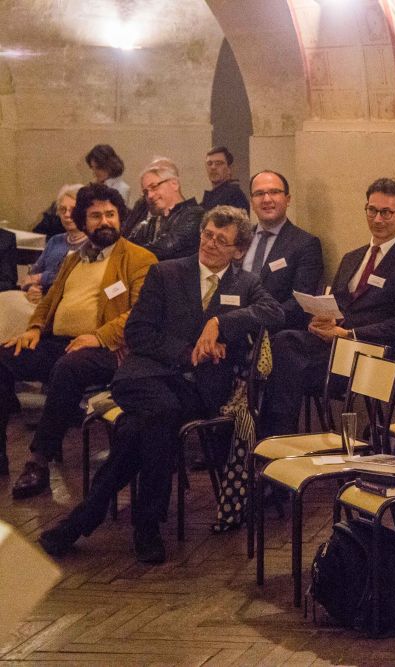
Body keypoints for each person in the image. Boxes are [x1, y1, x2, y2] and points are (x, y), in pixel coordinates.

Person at [37, 205, 283, 563]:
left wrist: (219, 324)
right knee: (161, 413)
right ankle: (145, 525)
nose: (210, 244)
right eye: (208, 235)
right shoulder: (167, 272)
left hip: (197, 391)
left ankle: (87, 516)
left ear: (239, 250)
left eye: (221, 240)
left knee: (137, 430)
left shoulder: (245, 284)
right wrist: (189, 353)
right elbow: (138, 332)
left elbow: (275, 313)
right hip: (144, 378)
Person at [1, 184, 156, 491]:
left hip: (110, 349)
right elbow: (48, 302)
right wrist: (34, 328)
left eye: (110, 214)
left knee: (69, 367)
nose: (105, 221)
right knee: (4, 359)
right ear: (83, 222)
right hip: (60, 344)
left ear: (120, 217)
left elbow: (141, 312)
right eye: (96, 216)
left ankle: (39, 461)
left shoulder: (138, 258)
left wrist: (98, 336)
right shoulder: (73, 259)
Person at [260, 177, 395, 436]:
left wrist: (348, 334)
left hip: (372, 354)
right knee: (282, 342)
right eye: (372, 210)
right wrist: (324, 320)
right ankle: (276, 435)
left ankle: (273, 437)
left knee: (286, 361)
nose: (378, 219)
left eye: (386, 212)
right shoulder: (352, 257)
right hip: (333, 347)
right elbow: (339, 304)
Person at [242, 170, 323, 329]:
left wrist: (246, 321)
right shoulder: (240, 240)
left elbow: (300, 303)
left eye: (274, 192)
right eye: (259, 194)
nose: (266, 199)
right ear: (251, 202)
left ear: (288, 199)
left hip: (274, 334)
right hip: (230, 334)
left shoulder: (306, 244)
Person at [19, 184, 88, 302]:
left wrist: (41, 278)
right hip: (42, 302)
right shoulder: (55, 241)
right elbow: (32, 275)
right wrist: (32, 288)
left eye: (73, 210)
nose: (67, 215)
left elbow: (74, 278)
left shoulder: (93, 244)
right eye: (63, 210)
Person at [129, 161, 204, 260]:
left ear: (174, 184)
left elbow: (167, 248)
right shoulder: (149, 224)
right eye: (146, 192)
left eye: (154, 187)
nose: (150, 196)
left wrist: (131, 256)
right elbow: (126, 247)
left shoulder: (195, 214)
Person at [201, 146, 250, 212]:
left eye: (218, 163)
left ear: (229, 168)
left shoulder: (234, 196)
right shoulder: (211, 197)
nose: (213, 167)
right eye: (209, 163)